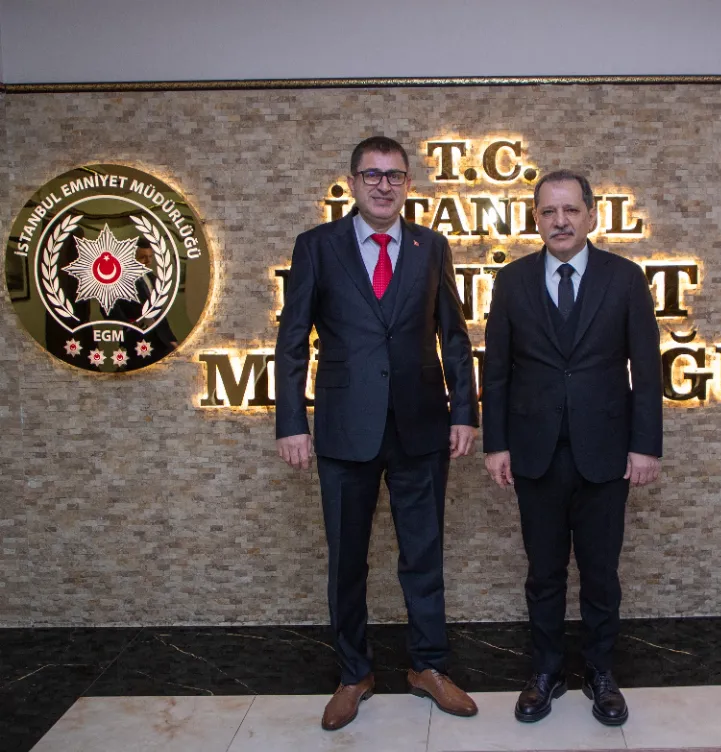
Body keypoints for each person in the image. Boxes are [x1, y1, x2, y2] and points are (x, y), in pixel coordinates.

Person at [275, 136, 480, 730]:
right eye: (372, 174)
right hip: (345, 428)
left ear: (408, 184)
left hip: (422, 426)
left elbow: (454, 337)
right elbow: (292, 342)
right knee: (347, 559)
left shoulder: (430, 246)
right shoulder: (317, 246)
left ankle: (429, 667)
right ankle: (353, 674)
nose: (383, 185)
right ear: (353, 182)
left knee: (424, 554)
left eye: (394, 175)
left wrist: (464, 412)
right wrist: (292, 422)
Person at [482, 170, 663, 726]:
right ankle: (546, 671)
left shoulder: (624, 278)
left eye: (570, 210)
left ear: (591, 215)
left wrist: (645, 446)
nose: (559, 221)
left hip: (606, 451)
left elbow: (646, 369)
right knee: (543, 572)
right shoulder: (512, 281)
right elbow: (497, 370)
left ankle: (600, 672)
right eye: (548, 212)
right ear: (535, 219)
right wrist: (496, 444)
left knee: (601, 572)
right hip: (534, 452)